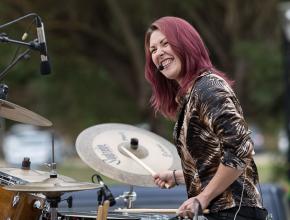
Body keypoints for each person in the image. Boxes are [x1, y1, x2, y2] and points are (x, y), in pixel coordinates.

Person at [144, 16, 268, 220]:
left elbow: (240, 149)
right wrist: (176, 176)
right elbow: (212, 162)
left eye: (165, 43)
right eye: (153, 49)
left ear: (186, 44)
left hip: (234, 212)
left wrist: (202, 198)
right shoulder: (191, 95)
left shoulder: (209, 88)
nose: (159, 53)